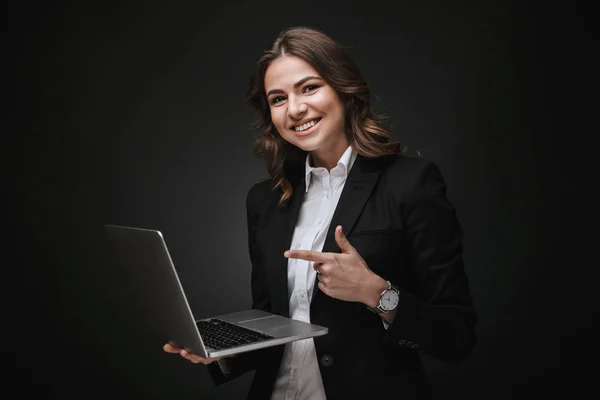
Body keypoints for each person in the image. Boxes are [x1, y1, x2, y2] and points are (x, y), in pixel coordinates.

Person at [164, 26, 477, 400]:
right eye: (278, 98)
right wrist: (216, 350)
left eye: (309, 87)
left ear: (344, 90)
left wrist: (376, 293)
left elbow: (456, 337)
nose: (295, 109)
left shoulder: (410, 184)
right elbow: (276, 326)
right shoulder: (266, 201)